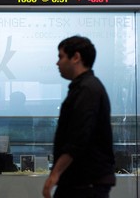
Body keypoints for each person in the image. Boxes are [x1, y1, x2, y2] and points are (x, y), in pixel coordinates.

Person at [42, 36, 116, 198]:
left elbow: (79, 137)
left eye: (61, 56)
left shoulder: (87, 89)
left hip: (85, 183)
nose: (57, 63)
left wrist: (55, 174)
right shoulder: (83, 88)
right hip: (79, 182)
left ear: (76, 57)